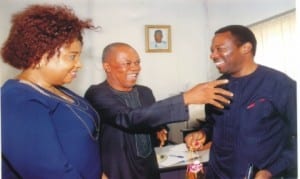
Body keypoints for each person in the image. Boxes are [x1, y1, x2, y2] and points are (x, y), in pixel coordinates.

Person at [84, 42, 233, 179]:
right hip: (117, 171)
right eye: (127, 63)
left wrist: (159, 130)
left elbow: (151, 119)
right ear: (107, 67)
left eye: (137, 62)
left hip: (149, 170)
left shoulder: (145, 92)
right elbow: (129, 118)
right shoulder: (97, 94)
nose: (135, 68)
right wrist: (185, 98)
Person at [1, 4, 107, 178]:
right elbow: (49, 172)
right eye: (72, 56)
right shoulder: (16, 101)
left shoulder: (56, 89)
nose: (79, 64)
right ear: (40, 56)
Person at [185, 25, 297, 179]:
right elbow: (212, 125)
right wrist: (202, 133)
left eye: (220, 49)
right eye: (212, 50)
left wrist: (271, 170)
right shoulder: (215, 88)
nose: (213, 55)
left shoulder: (281, 85)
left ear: (246, 48)